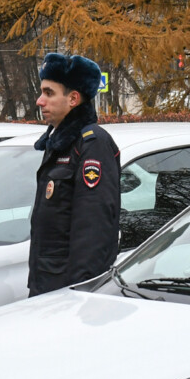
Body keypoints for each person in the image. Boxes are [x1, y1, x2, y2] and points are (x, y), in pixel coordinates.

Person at [27, 52, 121, 296]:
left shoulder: (92, 144)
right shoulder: (58, 143)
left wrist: (79, 296)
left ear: (73, 99)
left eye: (49, 93)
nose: (39, 101)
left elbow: (93, 232)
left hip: (67, 293)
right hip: (46, 287)